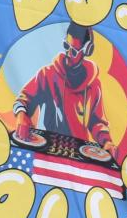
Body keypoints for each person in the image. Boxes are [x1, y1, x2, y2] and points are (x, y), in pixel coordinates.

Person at [11, 22, 114, 152]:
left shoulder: (94, 85)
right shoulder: (48, 74)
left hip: (78, 152)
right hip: (45, 148)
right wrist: (21, 115)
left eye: (75, 51)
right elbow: (22, 99)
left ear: (87, 50)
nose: (69, 54)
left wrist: (107, 141)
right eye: (66, 46)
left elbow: (97, 122)